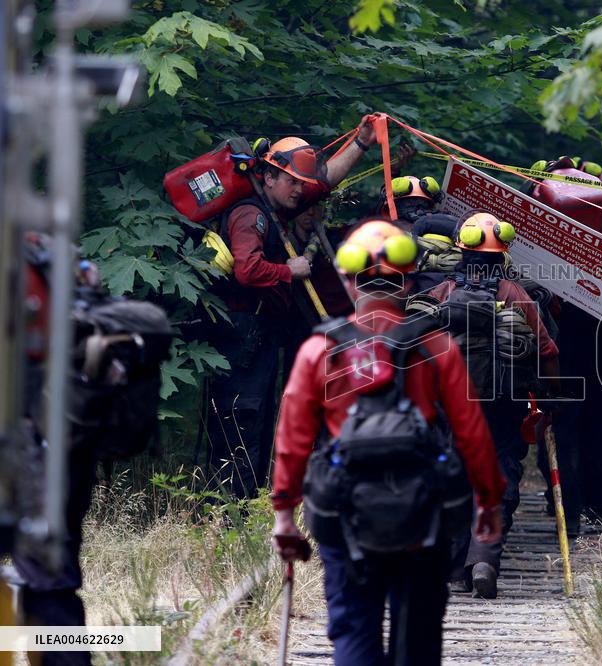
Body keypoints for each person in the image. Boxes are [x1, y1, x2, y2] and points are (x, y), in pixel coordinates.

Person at [270, 219, 505, 665]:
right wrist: (488, 505)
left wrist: (285, 515)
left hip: (344, 512)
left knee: (354, 630)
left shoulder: (320, 351)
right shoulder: (437, 348)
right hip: (424, 514)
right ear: (410, 276)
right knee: (417, 641)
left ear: (346, 279)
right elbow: (472, 433)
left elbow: (293, 439)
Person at [15, 234, 172, 666]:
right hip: (71, 437)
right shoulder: (53, 252)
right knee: (53, 583)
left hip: (23, 442)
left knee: (46, 584)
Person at [205, 120, 375, 499]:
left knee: (258, 423)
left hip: (258, 338)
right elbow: (247, 270)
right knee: (241, 422)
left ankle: (245, 509)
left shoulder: (275, 209)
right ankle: (228, 511)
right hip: (240, 338)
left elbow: (323, 180)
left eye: (302, 184)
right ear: (267, 176)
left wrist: (362, 143)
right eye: (291, 182)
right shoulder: (252, 215)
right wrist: (289, 270)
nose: (300, 191)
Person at [423, 211, 560, 599]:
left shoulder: (444, 293)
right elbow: (547, 350)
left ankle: (452, 566)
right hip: (503, 403)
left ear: (460, 251)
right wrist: (553, 396)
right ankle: (483, 559)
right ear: (502, 254)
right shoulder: (514, 294)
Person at [527, 156, 602, 532]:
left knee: (560, 426)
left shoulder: (538, 255)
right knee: (596, 426)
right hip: (598, 354)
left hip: (560, 357)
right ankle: (596, 509)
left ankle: (569, 510)